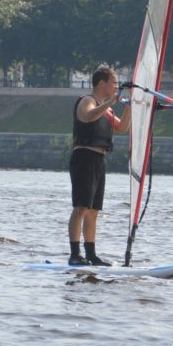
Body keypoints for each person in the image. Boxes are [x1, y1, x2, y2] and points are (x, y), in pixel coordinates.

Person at [68, 66, 131, 266]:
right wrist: (110, 103)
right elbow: (88, 116)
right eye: (113, 82)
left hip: (99, 159)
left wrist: (130, 107)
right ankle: (75, 254)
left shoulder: (108, 109)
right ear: (102, 83)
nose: (116, 86)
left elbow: (122, 128)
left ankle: (91, 254)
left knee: (94, 210)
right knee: (81, 207)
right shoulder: (87, 101)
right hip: (84, 157)